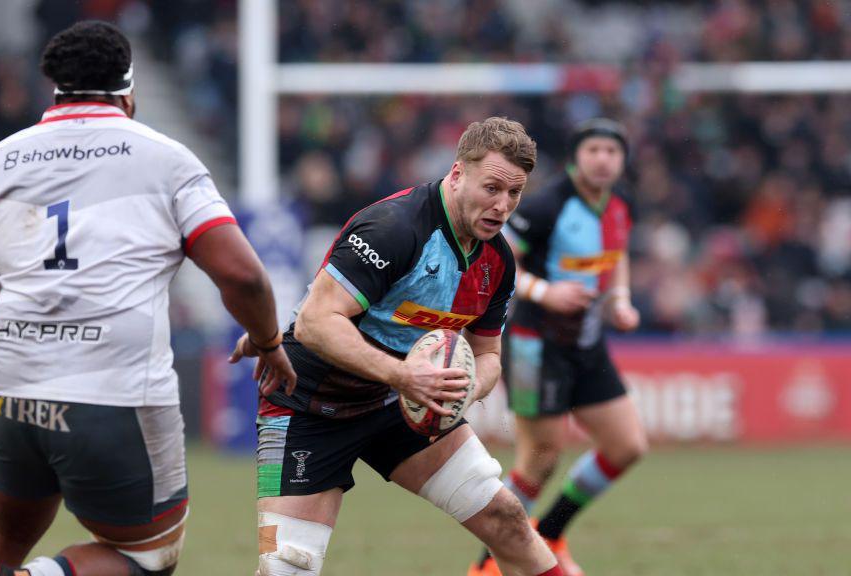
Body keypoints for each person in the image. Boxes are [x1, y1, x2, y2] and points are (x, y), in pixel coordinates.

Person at [0, 21, 296, 576]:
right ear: (129, 91)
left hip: (13, 389)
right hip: (113, 394)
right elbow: (243, 277)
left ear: (55, 88)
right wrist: (269, 342)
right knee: (146, 558)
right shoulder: (164, 159)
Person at [230, 117, 563, 576]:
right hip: (306, 405)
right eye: (492, 188)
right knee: (286, 566)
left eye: (514, 194)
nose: (502, 206)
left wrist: (464, 391)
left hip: (401, 403)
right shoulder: (393, 227)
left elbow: (487, 356)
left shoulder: (497, 261)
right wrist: (404, 375)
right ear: (457, 173)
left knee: (507, 520)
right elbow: (314, 323)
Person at [469, 118, 648, 576]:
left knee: (626, 445)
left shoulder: (620, 203)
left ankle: (550, 531)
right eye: (594, 150)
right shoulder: (548, 204)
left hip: (586, 343)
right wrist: (547, 293)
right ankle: (488, 565)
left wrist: (620, 300)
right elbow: (500, 256)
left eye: (612, 151)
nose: (603, 159)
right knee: (541, 459)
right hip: (536, 344)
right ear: (575, 158)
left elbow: (618, 252)